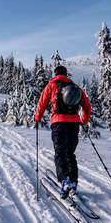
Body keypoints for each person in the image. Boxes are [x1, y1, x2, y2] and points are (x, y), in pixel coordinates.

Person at [34, 65, 92, 199]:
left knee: (60, 153)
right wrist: (83, 120)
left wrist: (37, 118)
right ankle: (73, 183)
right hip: (74, 124)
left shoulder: (51, 86)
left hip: (58, 123)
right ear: (66, 74)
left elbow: (42, 104)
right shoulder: (75, 87)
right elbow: (87, 106)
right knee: (70, 153)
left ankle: (64, 180)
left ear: (55, 74)